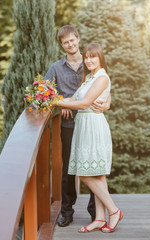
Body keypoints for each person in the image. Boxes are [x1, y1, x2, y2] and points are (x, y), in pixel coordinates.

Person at [52, 42, 123, 233]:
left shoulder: (102, 78)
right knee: (97, 173)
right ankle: (100, 219)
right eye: (86, 57)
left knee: (84, 173)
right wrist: (47, 99)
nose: (89, 60)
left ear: (100, 58)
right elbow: (73, 99)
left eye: (93, 57)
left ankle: (114, 211)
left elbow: (83, 104)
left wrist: (55, 102)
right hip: (84, 127)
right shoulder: (89, 77)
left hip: (93, 127)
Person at [45, 25, 111, 227]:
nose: (70, 44)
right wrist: (61, 103)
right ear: (62, 45)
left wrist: (107, 104)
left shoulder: (91, 61)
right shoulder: (56, 67)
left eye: (72, 40)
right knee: (69, 169)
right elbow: (45, 92)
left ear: (78, 39)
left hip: (90, 122)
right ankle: (67, 211)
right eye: (66, 42)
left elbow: (105, 90)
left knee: (92, 166)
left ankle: (95, 213)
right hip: (68, 124)